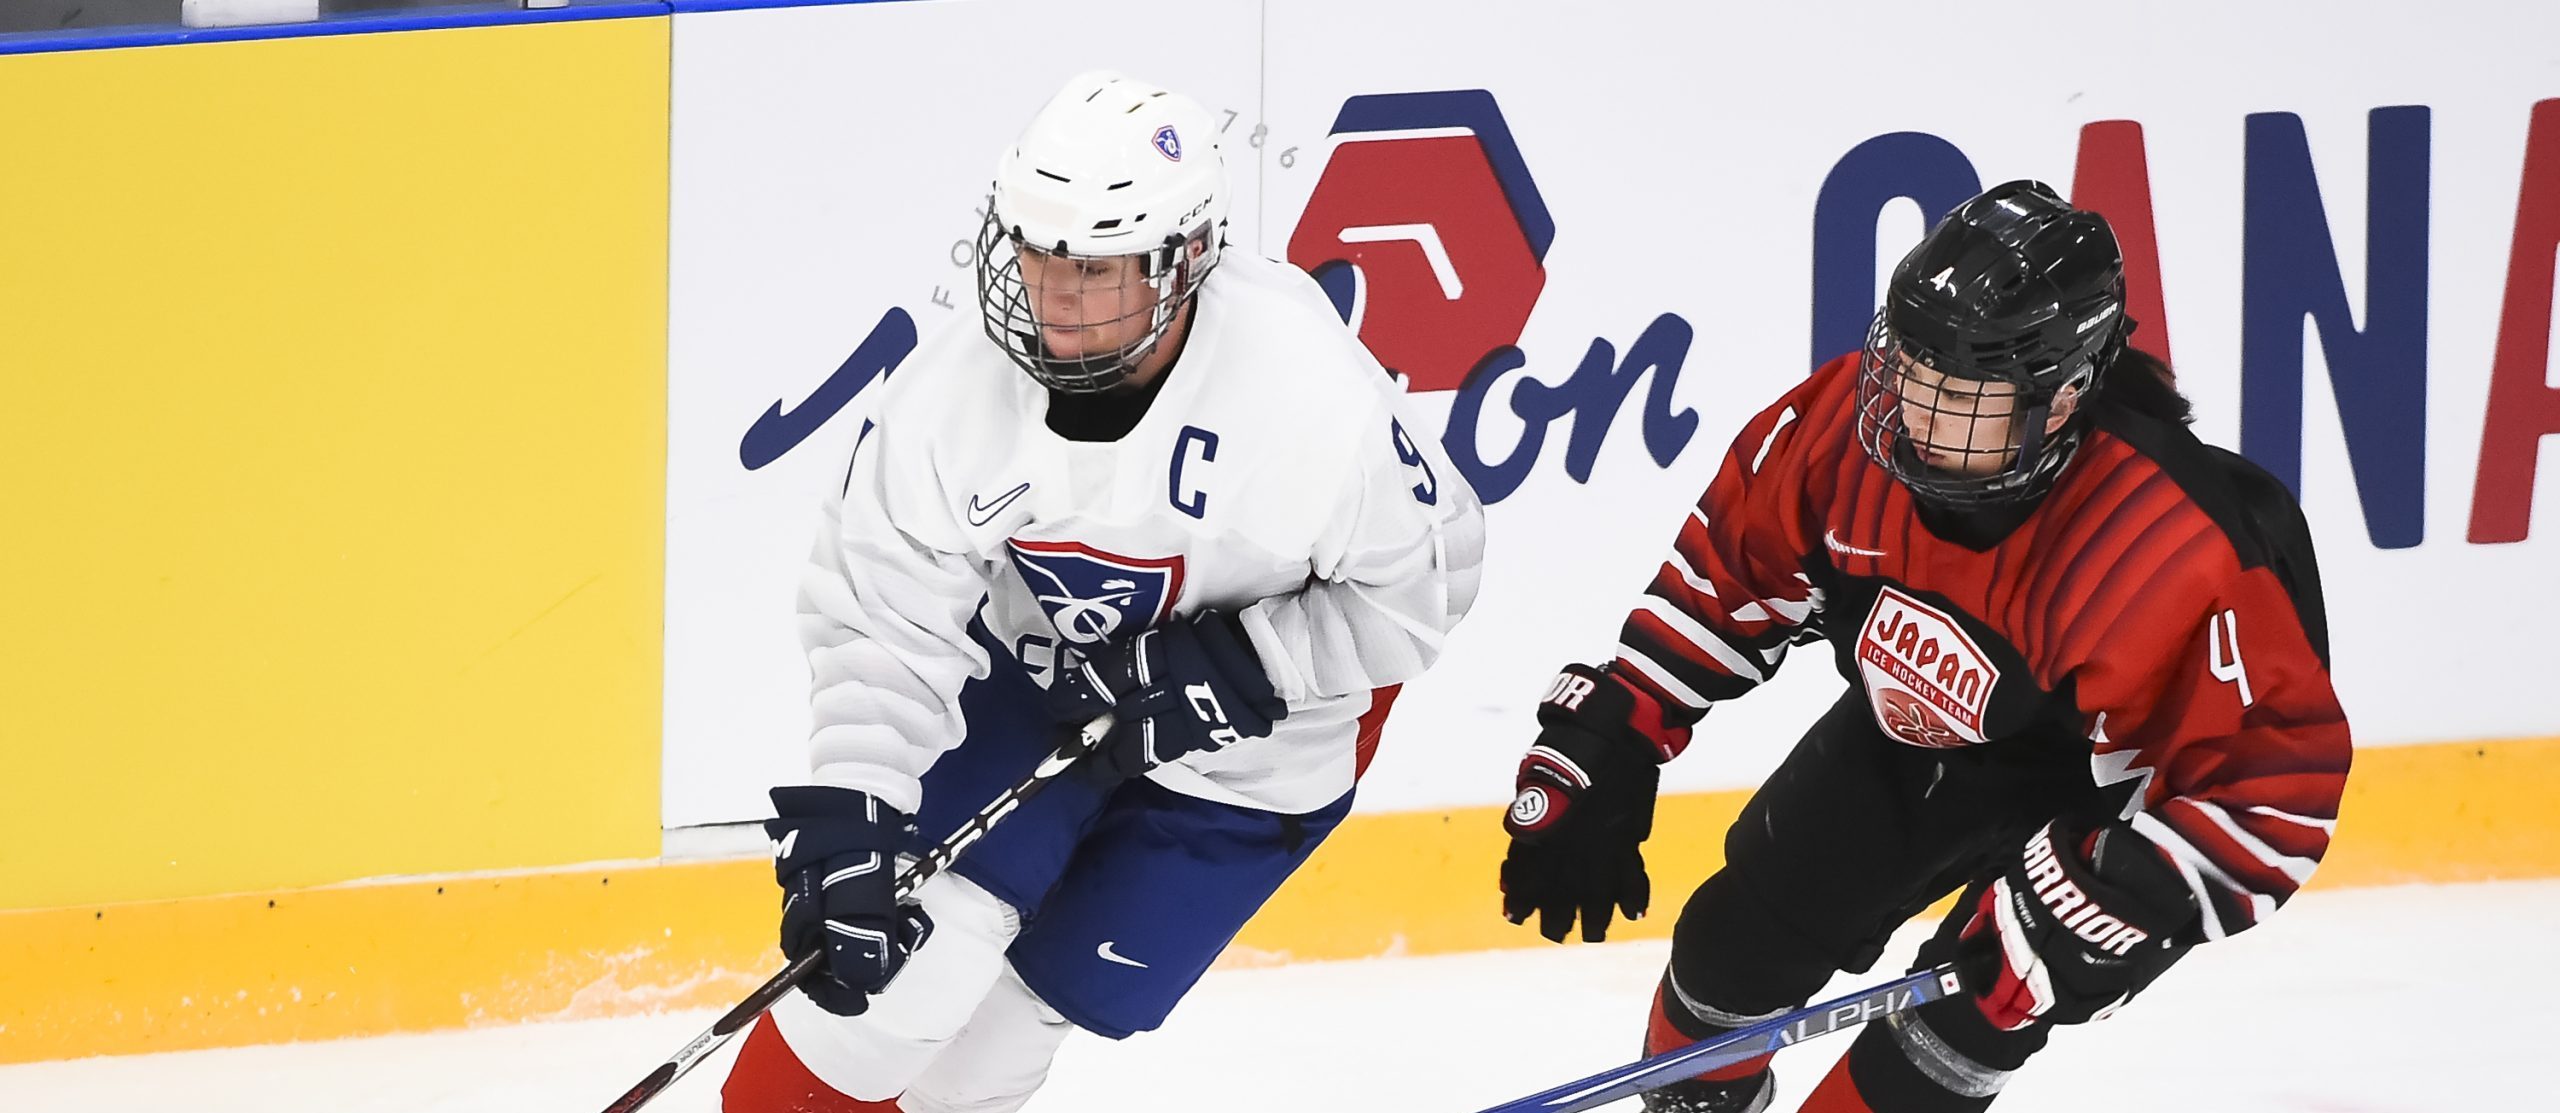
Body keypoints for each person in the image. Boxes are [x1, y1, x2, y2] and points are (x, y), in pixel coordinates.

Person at [719, 71, 1486, 1113]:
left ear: (1187, 260)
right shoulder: (957, 392)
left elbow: (1424, 590)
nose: (1052, 293)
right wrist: (858, 810)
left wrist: (1251, 662)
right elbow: (880, 610)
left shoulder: (1307, 398)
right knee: (885, 998)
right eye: (1034, 254)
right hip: (1039, 686)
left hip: (1253, 762)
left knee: (990, 1056)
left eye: (1094, 266)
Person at [1495, 180, 2350, 1112]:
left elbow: (2274, 786)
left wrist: (2121, 893)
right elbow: (1731, 574)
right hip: (1916, 738)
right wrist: (1620, 725)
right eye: (1910, 369)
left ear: (2059, 398)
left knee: (1961, 1026)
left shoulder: (2169, 548)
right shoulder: (1845, 433)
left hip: (2091, 803)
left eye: (1961, 395)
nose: (1913, 410)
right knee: (1730, 951)